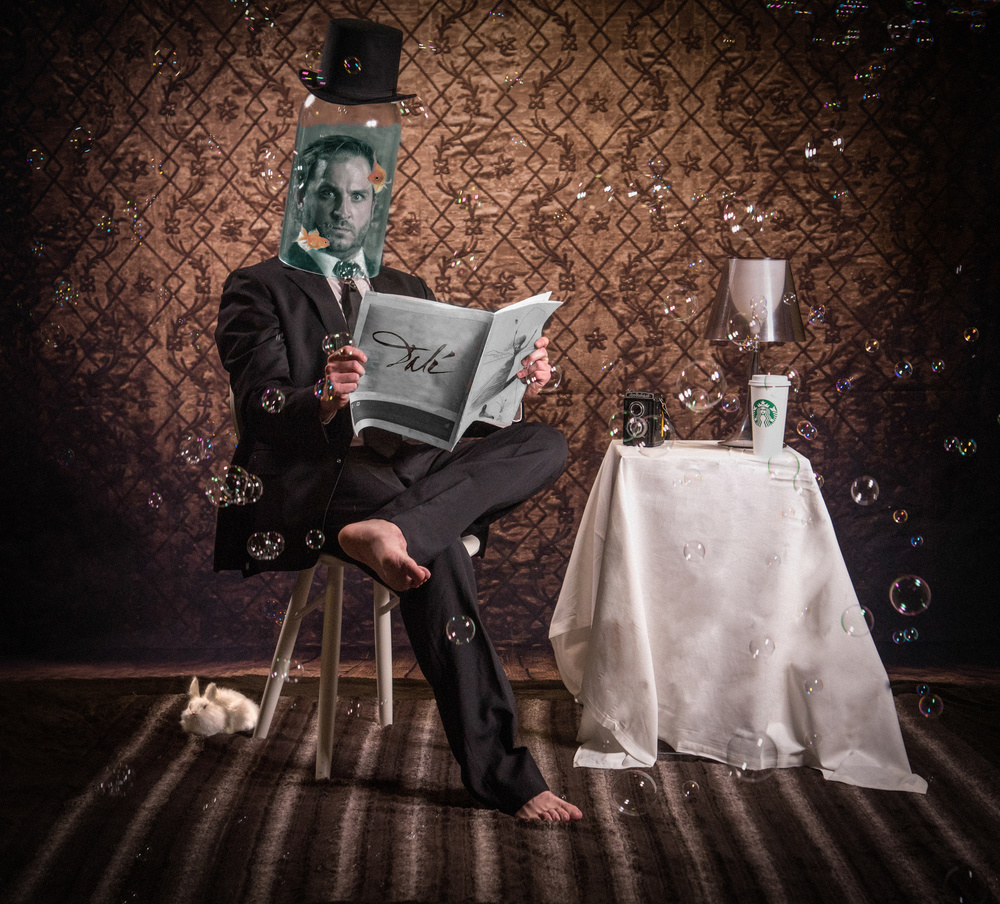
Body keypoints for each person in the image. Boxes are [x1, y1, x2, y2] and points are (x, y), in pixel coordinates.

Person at [214, 133, 583, 821]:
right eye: (328, 192)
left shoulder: (406, 288)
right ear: (301, 198)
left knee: (544, 442)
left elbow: (455, 414)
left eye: (358, 195)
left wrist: (512, 383)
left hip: (410, 466)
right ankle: (504, 775)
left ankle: (391, 530)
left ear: (374, 204)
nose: (344, 208)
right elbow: (259, 408)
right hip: (319, 473)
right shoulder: (259, 286)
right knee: (436, 549)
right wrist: (323, 396)